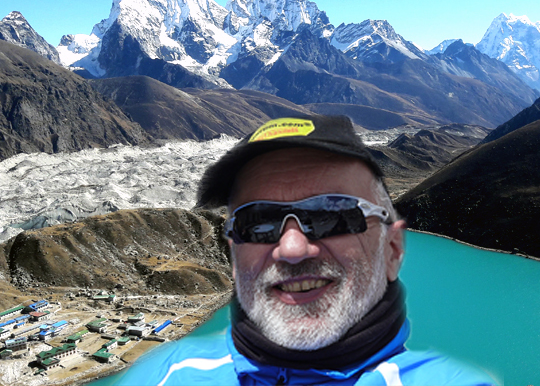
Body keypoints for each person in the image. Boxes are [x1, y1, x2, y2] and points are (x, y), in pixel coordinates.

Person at [116, 115, 497, 385]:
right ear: (233, 256)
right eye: (257, 223)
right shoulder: (163, 376)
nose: (293, 248)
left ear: (393, 249)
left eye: (332, 215)